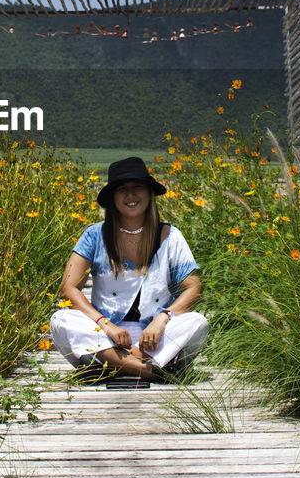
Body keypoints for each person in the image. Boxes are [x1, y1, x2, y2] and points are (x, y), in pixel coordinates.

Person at [49, 157, 209, 380]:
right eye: (122, 189)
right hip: (104, 336)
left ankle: (115, 364)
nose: (131, 195)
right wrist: (106, 326)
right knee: (60, 321)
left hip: (155, 338)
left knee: (197, 323)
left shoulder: (171, 236)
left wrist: (161, 320)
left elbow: (194, 288)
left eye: (138, 188)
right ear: (113, 197)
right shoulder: (94, 235)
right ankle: (150, 371)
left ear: (149, 194)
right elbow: (68, 288)